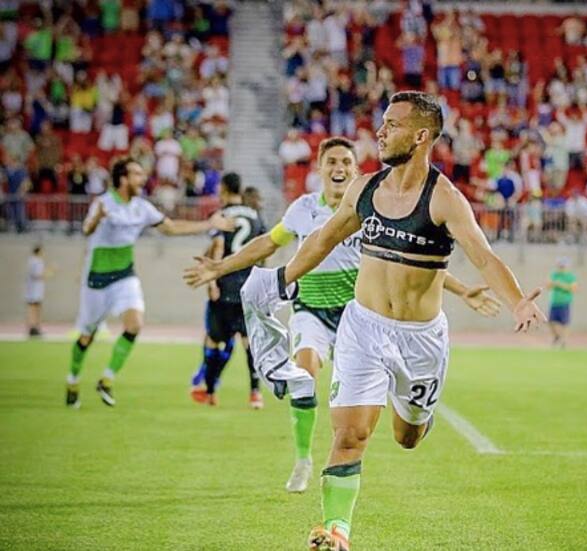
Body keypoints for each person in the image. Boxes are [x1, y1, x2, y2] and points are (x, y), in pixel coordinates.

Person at [187, 92, 546, 550]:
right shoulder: (365, 189)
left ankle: (419, 415)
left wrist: (516, 301)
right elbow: (317, 242)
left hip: (420, 340)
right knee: (350, 433)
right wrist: (279, 280)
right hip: (363, 328)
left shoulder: (445, 200)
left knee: (408, 436)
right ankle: (336, 530)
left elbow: (484, 257)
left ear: (420, 136)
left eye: (392, 125)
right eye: (382, 123)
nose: (380, 132)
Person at [183, 137, 501, 495]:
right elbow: (269, 244)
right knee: (304, 372)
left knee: (396, 428)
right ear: (319, 168)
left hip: (358, 318)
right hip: (311, 311)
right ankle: (303, 461)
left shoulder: (372, 207)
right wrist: (221, 267)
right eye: (332, 161)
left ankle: (403, 416)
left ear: (355, 168)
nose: (339, 168)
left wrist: (463, 290)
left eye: (346, 162)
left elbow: (410, 266)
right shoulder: (302, 210)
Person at [65, 157, 233, 409]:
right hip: (97, 279)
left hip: (124, 275)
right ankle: (73, 380)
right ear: (123, 178)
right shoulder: (103, 203)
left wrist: (208, 223)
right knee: (86, 336)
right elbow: (87, 230)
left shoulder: (142, 207)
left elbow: (172, 227)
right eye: (137, 175)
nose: (142, 179)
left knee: (135, 324)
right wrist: (97, 218)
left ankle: (107, 379)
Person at [190, 173, 266, 408]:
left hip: (224, 286)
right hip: (250, 286)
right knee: (248, 342)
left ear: (223, 188)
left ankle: (211, 392)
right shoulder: (255, 216)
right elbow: (264, 248)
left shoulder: (222, 216)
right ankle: (255, 394)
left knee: (213, 340)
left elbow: (218, 245)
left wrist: (212, 282)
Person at [547, 257, 578, 348]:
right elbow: (548, 285)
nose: (561, 268)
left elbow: (574, 288)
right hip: (554, 302)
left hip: (564, 302)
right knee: (551, 321)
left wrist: (560, 285)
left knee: (564, 323)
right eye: (560, 266)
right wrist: (553, 283)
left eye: (563, 266)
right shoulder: (554, 275)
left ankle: (564, 341)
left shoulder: (570, 276)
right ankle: (557, 336)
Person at [25, 245, 51, 337]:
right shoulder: (36, 261)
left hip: (35, 289)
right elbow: (37, 275)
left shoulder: (34, 261)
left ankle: (35, 327)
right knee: (34, 309)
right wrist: (49, 272)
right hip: (33, 290)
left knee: (36, 309)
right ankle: (33, 327)